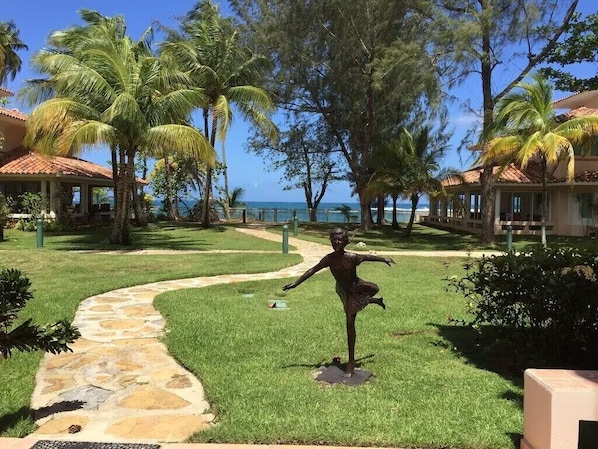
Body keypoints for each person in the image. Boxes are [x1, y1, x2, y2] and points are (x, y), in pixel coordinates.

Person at [283, 227, 395, 376]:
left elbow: (368, 257)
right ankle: (375, 301)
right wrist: (296, 283)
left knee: (350, 323)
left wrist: (384, 259)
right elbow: (313, 270)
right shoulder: (329, 259)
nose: (337, 242)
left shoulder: (352, 257)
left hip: (356, 288)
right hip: (343, 291)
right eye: (334, 240)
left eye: (340, 240)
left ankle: (351, 362)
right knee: (351, 313)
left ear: (346, 241)